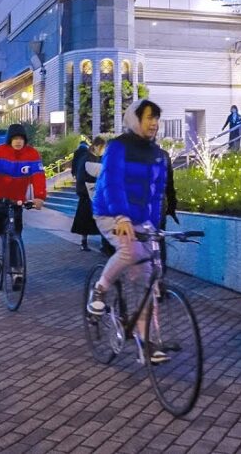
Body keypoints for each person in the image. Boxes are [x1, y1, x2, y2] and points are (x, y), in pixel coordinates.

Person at [87, 100, 172, 363]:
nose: (154, 123)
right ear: (135, 119)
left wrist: (154, 227)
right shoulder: (117, 147)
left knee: (146, 280)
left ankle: (146, 343)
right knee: (129, 250)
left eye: (156, 118)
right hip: (110, 213)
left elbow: (156, 194)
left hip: (140, 219)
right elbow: (112, 182)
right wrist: (121, 215)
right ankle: (100, 289)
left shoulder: (158, 154)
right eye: (148, 118)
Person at [0, 124, 47, 266]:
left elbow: (38, 176)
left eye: (21, 138)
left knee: (16, 234)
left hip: (17, 198)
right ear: (9, 139)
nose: (18, 141)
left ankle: (17, 270)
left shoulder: (32, 154)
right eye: (15, 138)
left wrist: (39, 197)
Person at [72, 137, 106, 252]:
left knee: (99, 218)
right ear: (96, 146)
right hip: (86, 193)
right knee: (85, 219)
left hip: (94, 192)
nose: (102, 151)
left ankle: (103, 243)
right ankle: (84, 242)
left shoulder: (96, 157)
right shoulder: (86, 157)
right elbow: (82, 175)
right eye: (101, 148)